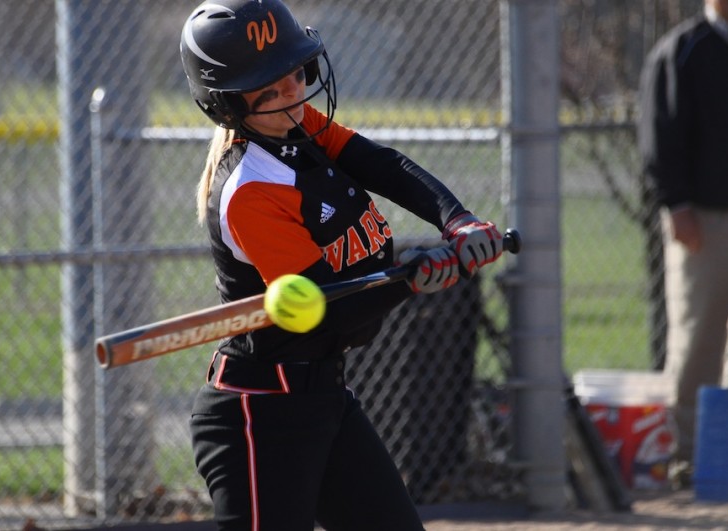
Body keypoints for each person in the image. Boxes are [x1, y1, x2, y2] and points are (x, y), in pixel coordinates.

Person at [179, 0, 504, 528]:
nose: (291, 88)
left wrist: (456, 219)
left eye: (293, 69)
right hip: (259, 416)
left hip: (324, 395)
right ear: (226, 105)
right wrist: (413, 279)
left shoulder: (297, 125)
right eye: (269, 83)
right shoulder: (250, 192)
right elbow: (327, 304)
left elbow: (381, 163)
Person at [638, 0, 728, 487]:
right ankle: (689, 458)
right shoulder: (684, 49)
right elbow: (659, 133)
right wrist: (676, 204)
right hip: (706, 219)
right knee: (700, 339)